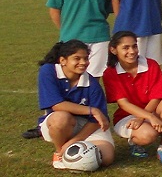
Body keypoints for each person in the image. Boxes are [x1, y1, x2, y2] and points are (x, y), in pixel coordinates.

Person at [37, 40, 116, 169]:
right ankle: (60, 153)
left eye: (86, 58)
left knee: (106, 158)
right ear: (63, 60)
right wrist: (93, 110)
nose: (83, 63)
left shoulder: (92, 83)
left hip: (86, 125)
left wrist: (75, 140)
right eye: (77, 58)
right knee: (61, 118)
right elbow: (57, 105)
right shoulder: (48, 71)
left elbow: (97, 121)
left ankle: (71, 148)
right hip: (59, 122)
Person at [102, 31, 162, 164]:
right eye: (125, 47)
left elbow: (157, 97)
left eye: (134, 46)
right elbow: (124, 104)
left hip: (150, 111)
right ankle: (135, 143)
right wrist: (149, 117)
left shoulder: (151, 65)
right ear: (113, 50)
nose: (132, 51)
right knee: (148, 135)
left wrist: (143, 117)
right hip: (127, 116)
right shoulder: (110, 73)